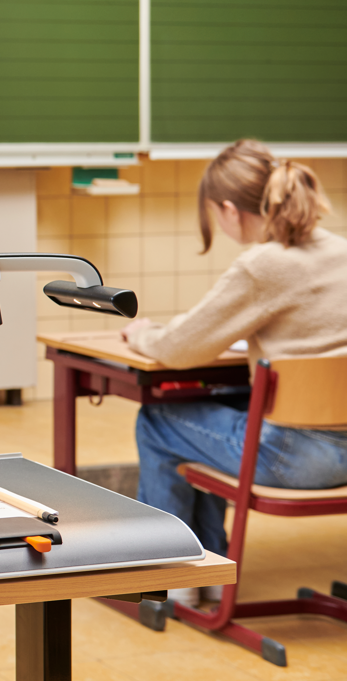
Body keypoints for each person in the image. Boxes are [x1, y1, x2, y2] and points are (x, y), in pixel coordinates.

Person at [122, 140, 347, 607]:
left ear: (228, 209)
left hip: (295, 460)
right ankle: (210, 567)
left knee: (160, 420)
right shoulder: (341, 250)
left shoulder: (263, 264)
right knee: (204, 418)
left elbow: (181, 348)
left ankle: (174, 581)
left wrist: (142, 334)